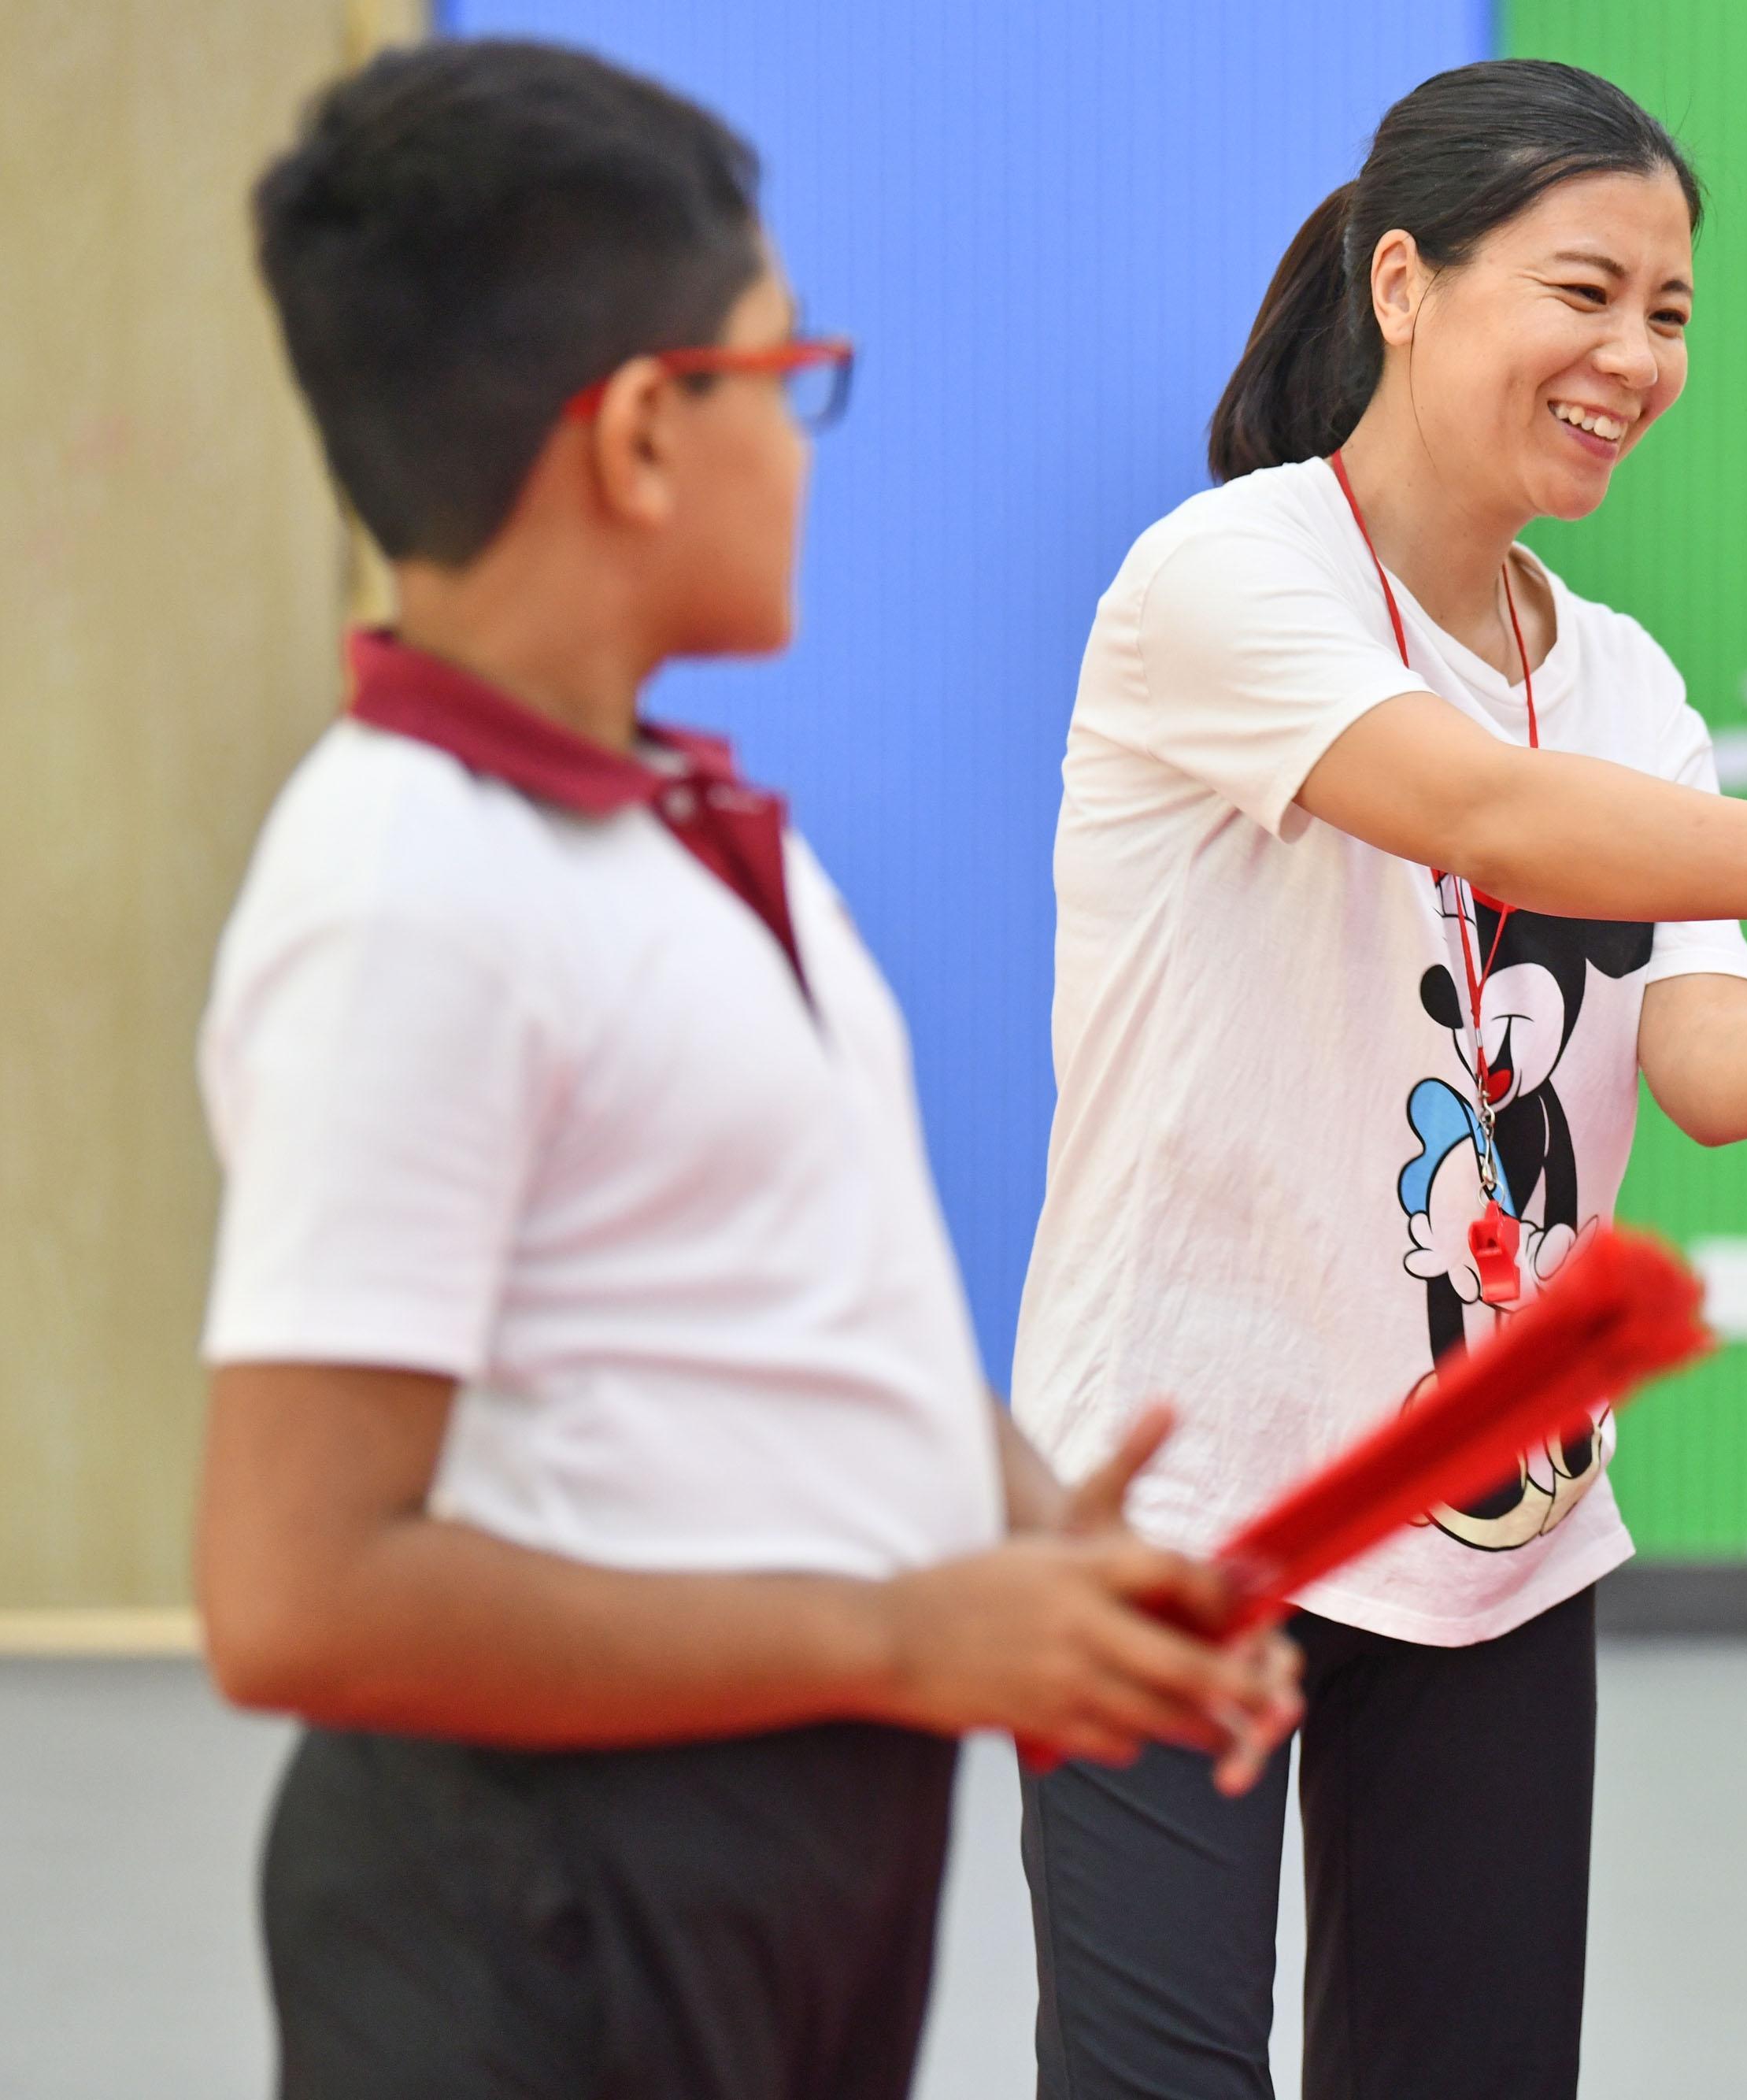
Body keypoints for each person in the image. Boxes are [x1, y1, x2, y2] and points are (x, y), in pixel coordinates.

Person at [1009, 57, 1747, 2100]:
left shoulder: (1620, 675)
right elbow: (1482, 812)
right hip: (1177, 1499)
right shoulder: (1227, 578)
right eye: (1586, 290)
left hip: (1490, 1511)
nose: (1635, 354)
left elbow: (1701, 1064)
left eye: (1673, 312)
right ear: (1405, 283)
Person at [197, 43, 1295, 2100]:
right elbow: (297, 1591)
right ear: (635, 434)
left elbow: (804, 1313)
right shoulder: (407, 885)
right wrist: (901, 1635)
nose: (806, 438)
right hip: (548, 1898)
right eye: (785, 377)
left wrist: (1051, 1540)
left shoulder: (682, 837)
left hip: (772, 1849)